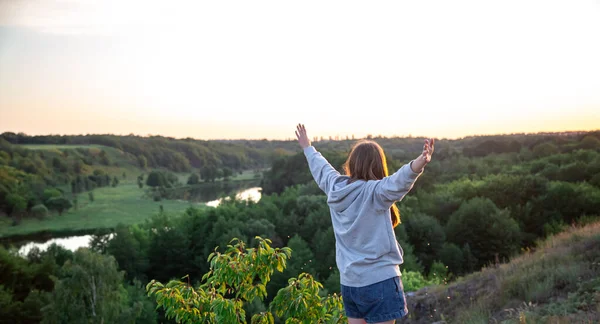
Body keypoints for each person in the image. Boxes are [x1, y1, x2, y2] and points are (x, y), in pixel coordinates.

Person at [295, 124, 434, 324]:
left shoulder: (335, 188)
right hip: (380, 281)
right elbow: (399, 181)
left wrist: (307, 147)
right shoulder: (375, 192)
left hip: (350, 284)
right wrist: (421, 162)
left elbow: (322, 169)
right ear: (379, 165)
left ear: (352, 163)